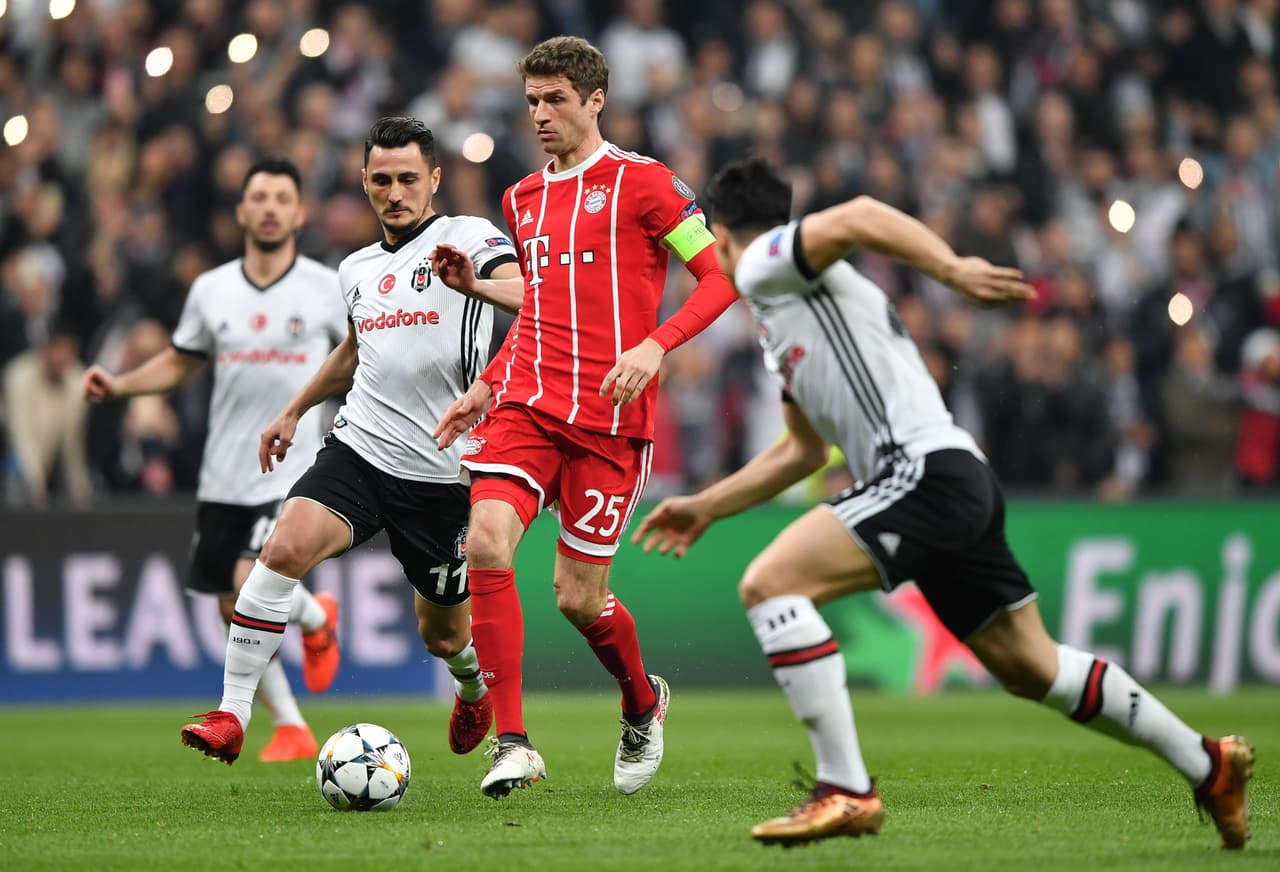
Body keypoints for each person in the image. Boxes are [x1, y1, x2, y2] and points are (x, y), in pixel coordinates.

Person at [633, 157, 1254, 849]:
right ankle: (1210, 764)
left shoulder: (764, 262)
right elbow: (802, 452)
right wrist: (708, 505)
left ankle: (845, 787)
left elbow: (862, 214)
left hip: (922, 473)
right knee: (1033, 667)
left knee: (770, 584)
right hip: (955, 478)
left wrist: (954, 270)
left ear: (719, 236)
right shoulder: (787, 314)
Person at [430, 36, 740, 798]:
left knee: (579, 598)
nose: (539, 114)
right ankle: (514, 742)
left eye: (555, 100)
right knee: (487, 545)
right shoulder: (520, 199)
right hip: (528, 405)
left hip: (609, 419)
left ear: (595, 99)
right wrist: (489, 376)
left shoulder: (648, 184)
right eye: (531, 100)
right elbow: (541, 309)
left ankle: (641, 701)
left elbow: (718, 279)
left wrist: (657, 345)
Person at [179, 117, 524, 765]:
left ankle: (472, 689)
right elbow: (353, 351)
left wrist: (474, 284)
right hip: (360, 450)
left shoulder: (468, 237)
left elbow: (530, 294)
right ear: (365, 183)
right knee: (282, 548)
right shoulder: (357, 268)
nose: (395, 192)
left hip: (442, 473)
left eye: (409, 179)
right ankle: (233, 712)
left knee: (444, 635)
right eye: (382, 179)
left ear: (435, 181)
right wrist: (293, 410)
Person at [83, 156, 347, 762]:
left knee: (246, 581)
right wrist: (120, 386)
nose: (272, 206)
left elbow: (358, 357)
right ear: (241, 212)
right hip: (223, 471)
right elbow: (180, 361)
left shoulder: (326, 287)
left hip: (292, 467)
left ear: (300, 212)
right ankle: (294, 722)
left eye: (284, 196)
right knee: (234, 607)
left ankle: (308, 628)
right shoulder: (211, 290)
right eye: (260, 196)